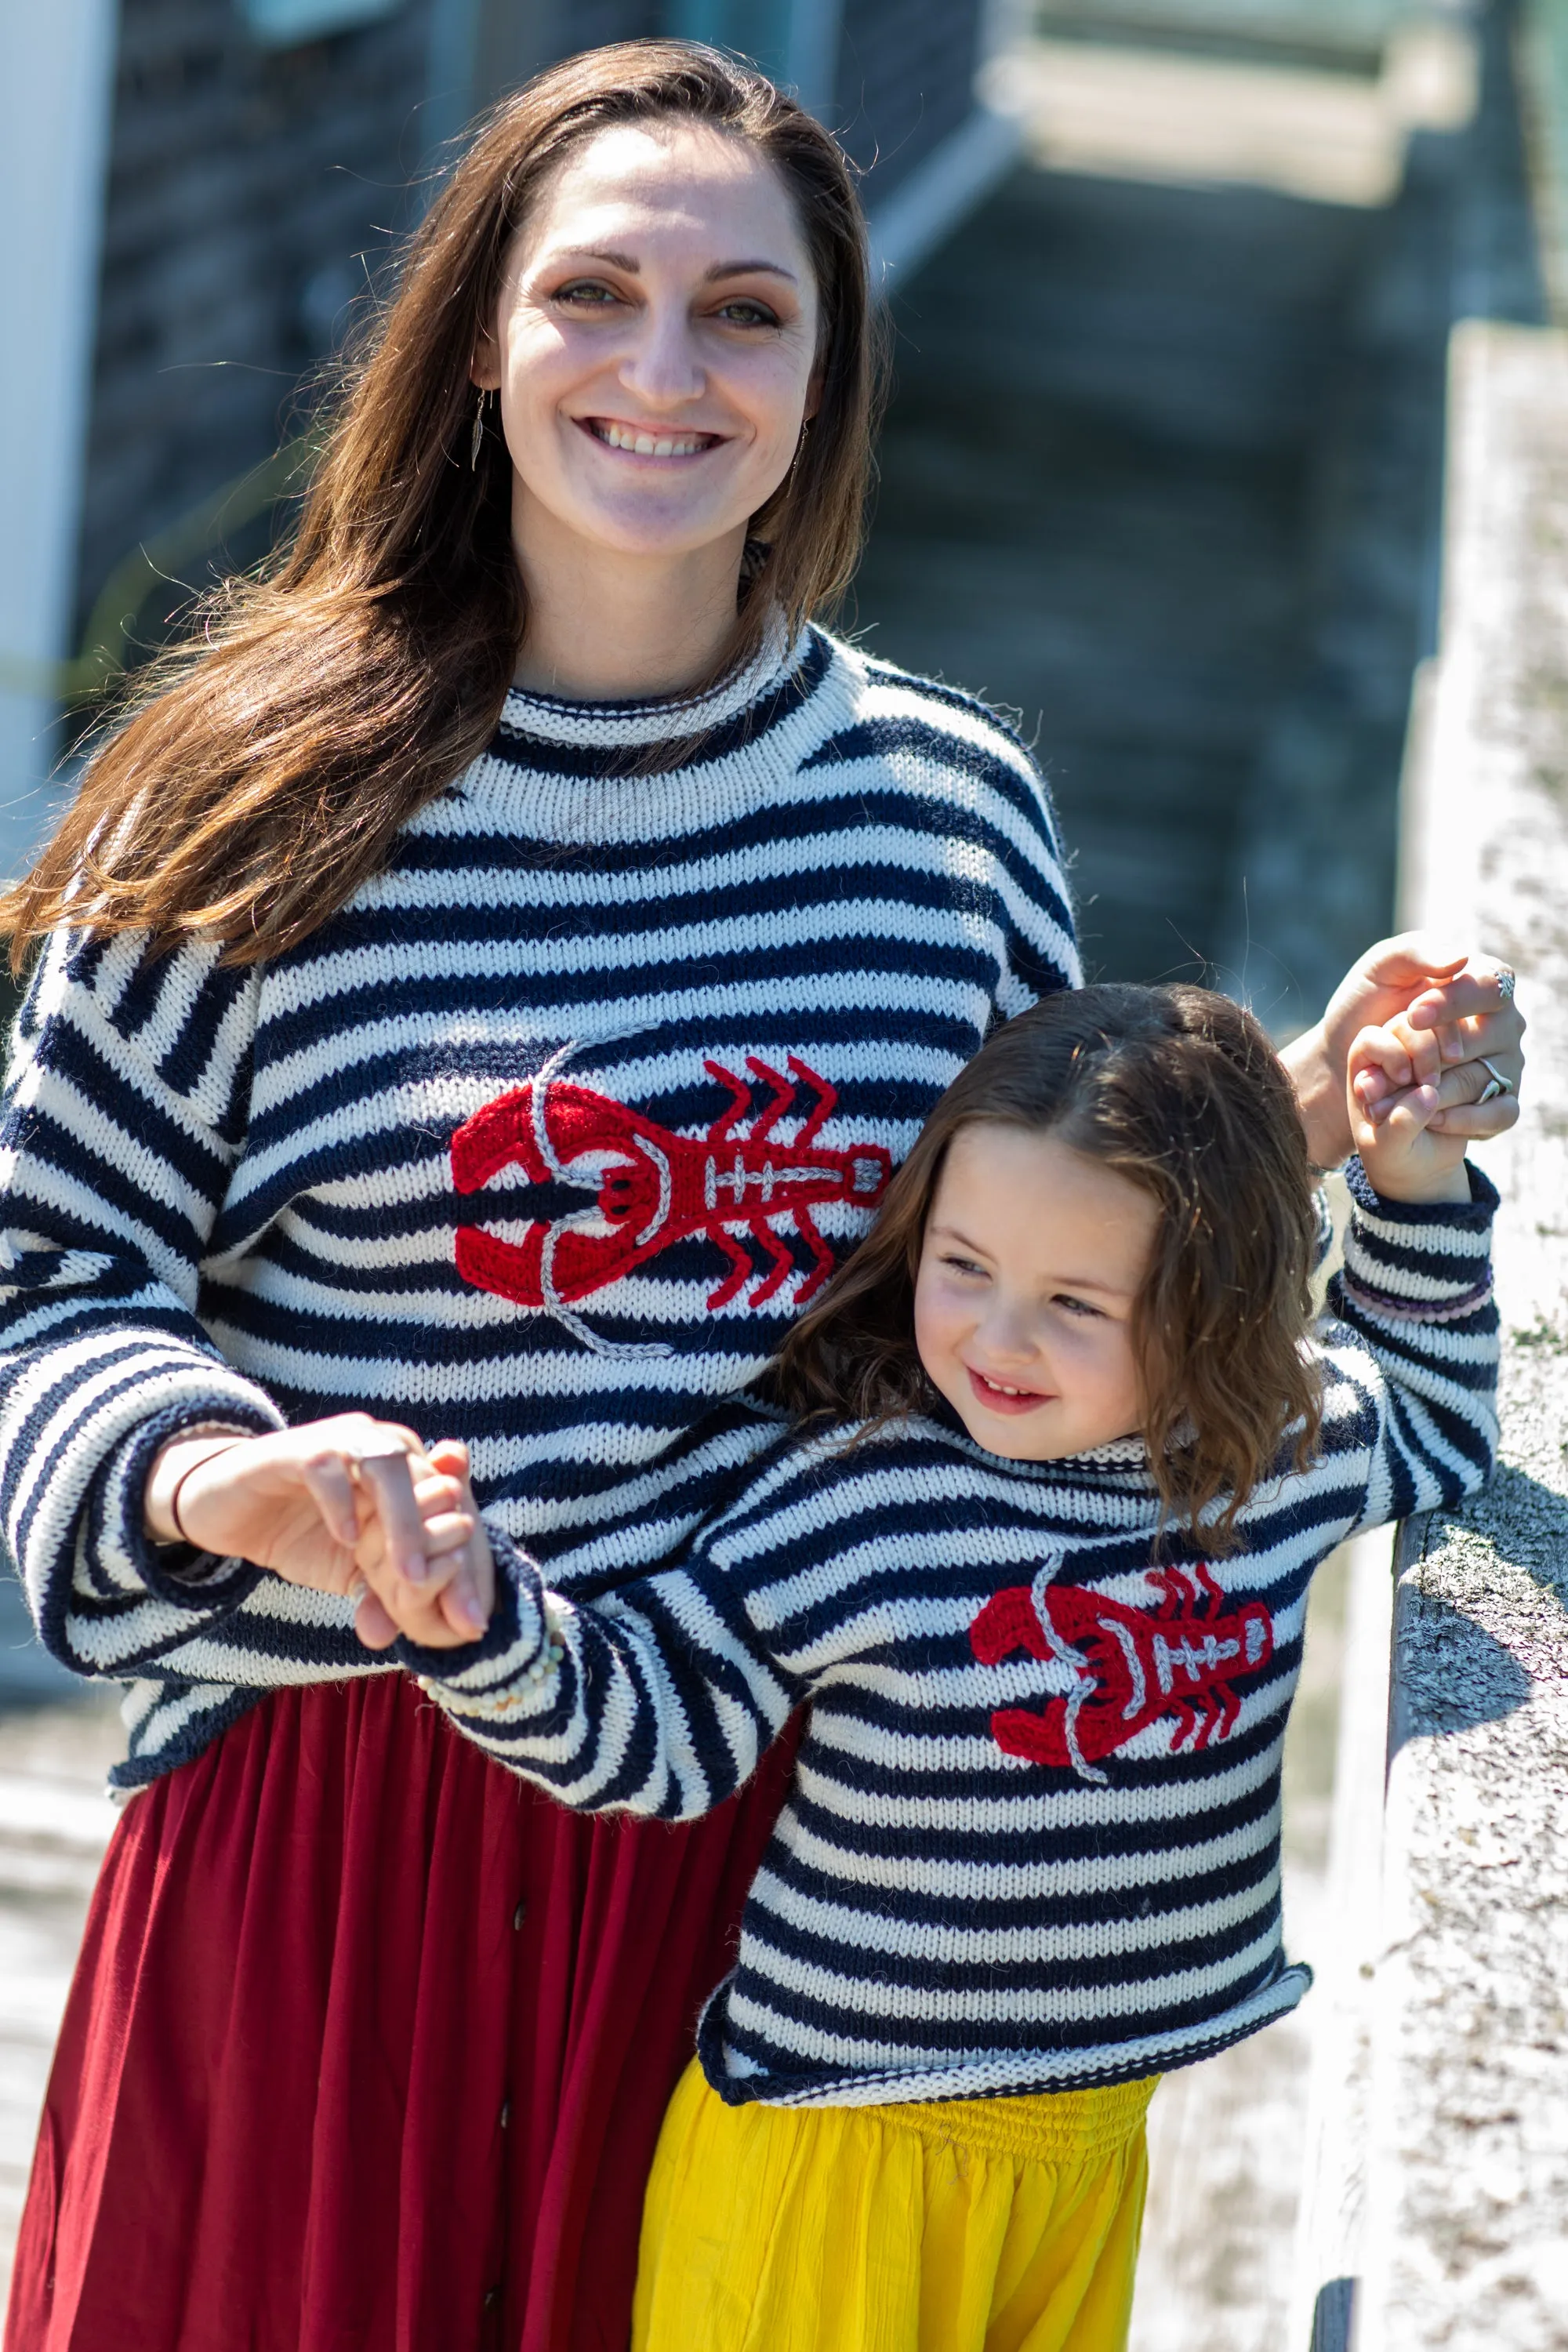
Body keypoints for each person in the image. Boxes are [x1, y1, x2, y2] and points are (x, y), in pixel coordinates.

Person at [0, 35, 1522, 2352]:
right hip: (336, 1837)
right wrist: (219, 1480)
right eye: (594, 292)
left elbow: (995, 1280)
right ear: (479, 335)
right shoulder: (228, 798)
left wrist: (1297, 1123)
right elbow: (46, 1290)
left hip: (792, 1867)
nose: (661, 368)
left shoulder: (943, 815)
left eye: (744, 312)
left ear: (825, 370)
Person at [372, 983, 1501, 2352]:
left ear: (1213, 1295)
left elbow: (1437, 1421)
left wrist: (1417, 1180)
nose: (997, 1337)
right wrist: (478, 1623)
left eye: (1077, 1301)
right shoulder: (860, 1510)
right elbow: (656, 1735)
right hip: (838, 2157)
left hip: (1094, 2133)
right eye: (962, 1267)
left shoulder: (1263, 1458)